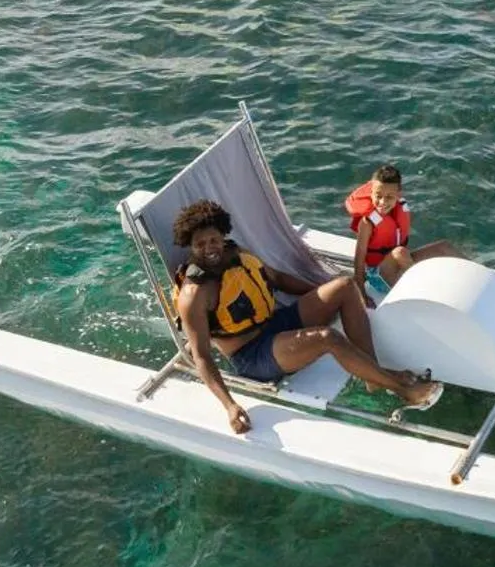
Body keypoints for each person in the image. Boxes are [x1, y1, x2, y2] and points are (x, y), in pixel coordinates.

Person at [171, 198, 440, 434]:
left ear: (223, 234)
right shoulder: (194, 295)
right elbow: (202, 357)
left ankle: (373, 377)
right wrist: (229, 406)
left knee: (345, 286)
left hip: (276, 324)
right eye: (200, 244)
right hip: (253, 355)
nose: (210, 248)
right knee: (326, 338)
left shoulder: (236, 253)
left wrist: (322, 294)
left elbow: (277, 279)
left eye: (214, 239)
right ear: (190, 246)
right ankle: (402, 390)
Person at [346, 164, 462, 292]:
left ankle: (485, 278)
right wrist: (361, 293)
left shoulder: (399, 209)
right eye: (378, 196)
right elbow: (359, 258)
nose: (382, 202)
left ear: (398, 194)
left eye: (389, 197)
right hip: (378, 276)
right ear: (371, 193)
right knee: (400, 252)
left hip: (399, 264)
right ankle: (429, 292)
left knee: (444, 247)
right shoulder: (367, 222)